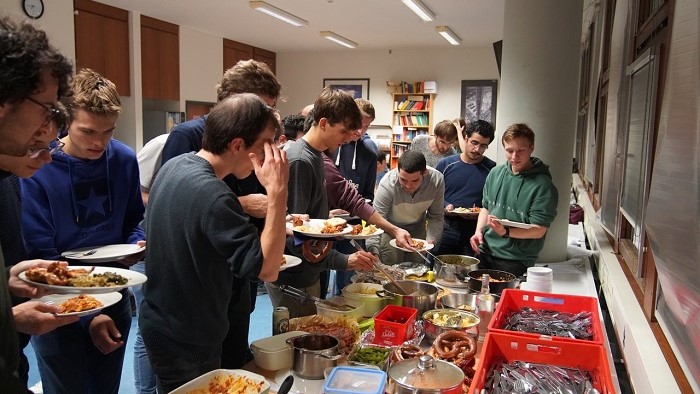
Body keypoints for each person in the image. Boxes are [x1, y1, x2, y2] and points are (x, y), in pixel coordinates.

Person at [140, 94, 288, 392]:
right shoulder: (215, 196)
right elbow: (269, 269)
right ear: (237, 145)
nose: (268, 156)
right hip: (188, 336)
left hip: (161, 321)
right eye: (264, 147)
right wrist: (278, 193)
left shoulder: (175, 165)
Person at [21, 69, 146, 394]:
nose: (99, 142)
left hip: (113, 295)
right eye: (88, 131)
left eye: (108, 132)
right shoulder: (39, 166)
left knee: (105, 387)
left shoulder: (122, 159)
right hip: (56, 305)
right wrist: (88, 315)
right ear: (65, 122)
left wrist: (136, 242)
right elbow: (40, 258)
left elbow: (134, 218)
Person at [0, 16, 75, 392]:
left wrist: (7, 278)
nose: (51, 123)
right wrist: (9, 317)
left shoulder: (8, 178)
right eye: (45, 107)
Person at [267, 87, 376, 317]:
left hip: (307, 273)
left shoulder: (317, 155)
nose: (348, 139)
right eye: (344, 131)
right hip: (295, 276)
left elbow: (309, 220)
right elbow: (295, 236)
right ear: (324, 123)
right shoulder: (300, 160)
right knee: (297, 341)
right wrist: (344, 260)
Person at [470, 123, 559, 276]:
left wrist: (505, 232)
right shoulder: (495, 173)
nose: (514, 157)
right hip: (485, 251)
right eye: (509, 150)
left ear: (531, 148)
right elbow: (486, 207)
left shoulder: (543, 186)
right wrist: (478, 231)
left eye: (520, 151)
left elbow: (539, 230)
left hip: (515, 259)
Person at [130, 133, 169, 394]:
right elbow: (137, 195)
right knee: (148, 330)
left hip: (170, 251)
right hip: (145, 248)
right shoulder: (160, 145)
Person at [331, 99, 379, 293]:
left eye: (366, 126)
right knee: (321, 274)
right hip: (324, 222)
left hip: (353, 225)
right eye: (358, 124)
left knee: (348, 279)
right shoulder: (331, 146)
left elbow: (368, 194)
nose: (360, 130)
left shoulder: (369, 154)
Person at [367, 150, 445, 265]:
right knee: (391, 270)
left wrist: (430, 241)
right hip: (390, 230)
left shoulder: (436, 180)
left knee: (416, 272)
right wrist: (373, 251)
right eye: (403, 179)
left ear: (425, 173)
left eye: (415, 181)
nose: (408, 186)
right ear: (398, 171)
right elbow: (375, 221)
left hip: (418, 231)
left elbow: (436, 216)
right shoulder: (387, 183)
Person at [434, 119, 496, 257]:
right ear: (466, 138)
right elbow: (431, 194)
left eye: (483, 146)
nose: (477, 149)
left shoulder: (492, 169)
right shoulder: (446, 164)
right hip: (445, 226)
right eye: (474, 143)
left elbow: (494, 201)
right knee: (436, 268)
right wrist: (445, 204)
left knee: (470, 273)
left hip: (475, 230)